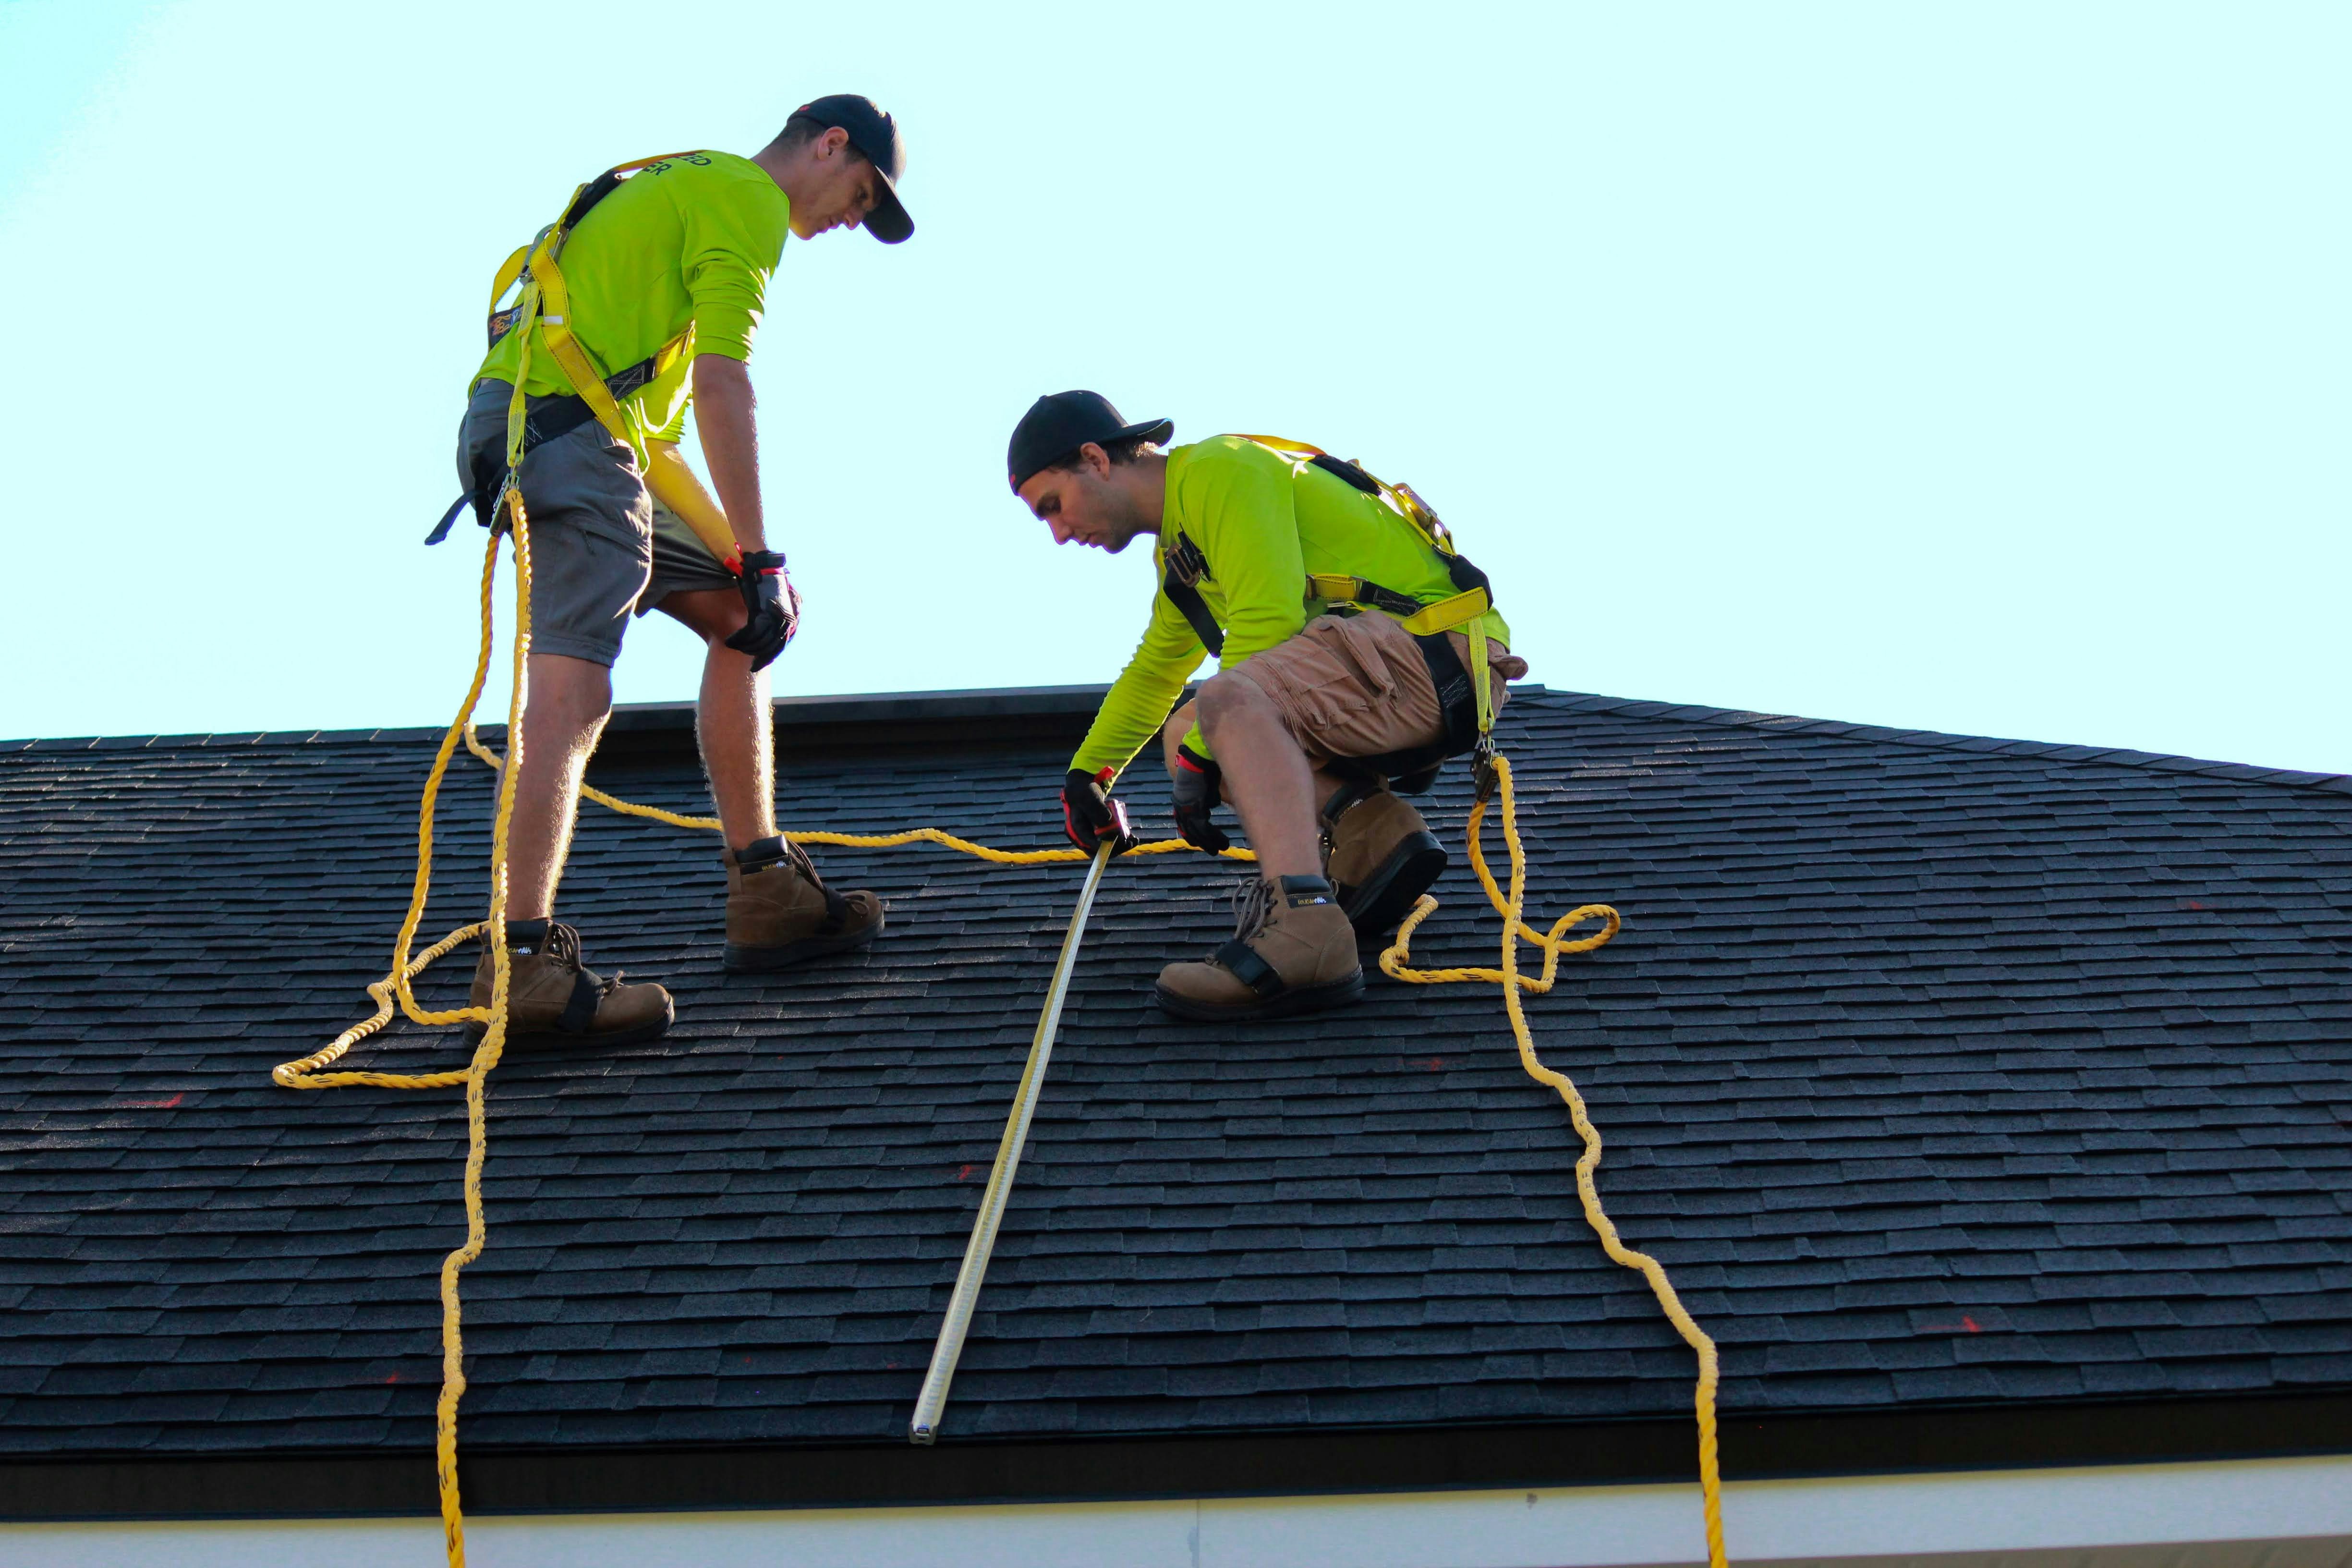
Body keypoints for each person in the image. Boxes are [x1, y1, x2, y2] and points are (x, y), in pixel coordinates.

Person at [450, 96, 911, 1048]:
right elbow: (722, 383)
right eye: (860, 194)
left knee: (749, 622)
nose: (850, 221)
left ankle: (764, 887)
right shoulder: (743, 198)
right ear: (830, 145)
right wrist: (763, 540)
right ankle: (522, 962)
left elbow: (647, 433)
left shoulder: (684, 182)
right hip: (566, 440)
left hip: (573, 434)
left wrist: (749, 567)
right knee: (572, 692)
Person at [1008, 391, 1525, 1023]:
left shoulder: (1218, 470)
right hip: (1398, 668)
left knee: (1222, 706)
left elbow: (1268, 620)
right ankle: (1372, 832)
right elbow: (1154, 671)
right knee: (1188, 727)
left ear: (1095, 458)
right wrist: (1088, 775)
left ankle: (1305, 929)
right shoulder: (1181, 552)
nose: (1059, 534)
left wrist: (1210, 747)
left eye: (1052, 507)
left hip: (1428, 654)